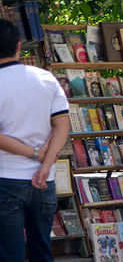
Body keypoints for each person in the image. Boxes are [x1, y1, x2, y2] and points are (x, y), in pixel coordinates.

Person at [0, 19, 70, 261]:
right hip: (44, 179)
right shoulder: (46, 78)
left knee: (10, 253)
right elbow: (62, 125)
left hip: (5, 178)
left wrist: (34, 154)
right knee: (42, 249)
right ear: (18, 46)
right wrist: (46, 163)